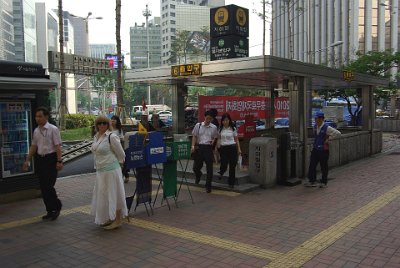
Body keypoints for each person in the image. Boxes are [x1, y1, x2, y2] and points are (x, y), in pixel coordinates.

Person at [22, 106, 63, 221]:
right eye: (36, 116)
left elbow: (57, 146)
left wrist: (59, 161)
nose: (37, 118)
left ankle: (56, 206)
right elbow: (34, 146)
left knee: (49, 185)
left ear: (46, 116)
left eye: (40, 116)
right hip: (40, 160)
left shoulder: (53, 129)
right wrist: (27, 159)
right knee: (43, 187)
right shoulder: (36, 130)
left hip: (51, 159)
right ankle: (49, 210)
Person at [91, 115, 128, 229]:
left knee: (114, 193)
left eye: (104, 123)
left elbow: (121, 154)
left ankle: (118, 220)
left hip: (112, 170)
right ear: (96, 125)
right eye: (99, 123)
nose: (102, 125)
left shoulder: (111, 136)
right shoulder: (96, 136)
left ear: (108, 125)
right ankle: (109, 217)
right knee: (104, 194)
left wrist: (119, 164)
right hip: (101, 171)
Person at [305, 111, 341, 188]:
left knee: (323, 166)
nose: (315, 120)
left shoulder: (327, 127)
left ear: (321, 119)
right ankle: (312, 181)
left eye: (316, 118)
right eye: (315, 118)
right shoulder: (315, 127)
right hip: (315, 149)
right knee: (312, 165)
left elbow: (338, 133)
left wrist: (329, 139)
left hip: (323, 150)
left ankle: (324, 182)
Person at [191, 110, 219, 193]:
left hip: (208, 148)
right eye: (207, 118)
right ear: (204, 117)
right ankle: (198, 174)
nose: (208, 120)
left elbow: (215, 137)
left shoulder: (214, 127)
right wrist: (193, 146)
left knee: (209, 168)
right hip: (199, 148)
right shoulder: (198, 125)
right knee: (196, 167)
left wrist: (213, 142)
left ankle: (208, 185)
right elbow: (194, 136)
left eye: (210, 119)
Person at [217, 113, 242, 189]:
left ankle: (231, 183)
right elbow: (218, 139)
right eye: (224, 120)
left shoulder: (233, 128)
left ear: (229, 120)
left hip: (232, 148)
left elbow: (236, 139)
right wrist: (217, 147)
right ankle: (221, 172)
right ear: (222, 121)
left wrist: (239, 149)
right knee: (224, 163)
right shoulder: (220, 129)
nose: (225, 122)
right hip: (223, 148)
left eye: (227, 120)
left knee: (232, 166)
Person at [110, 115, 130, 183]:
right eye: (111, 120)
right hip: (111, 149)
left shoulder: (119, 130)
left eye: (114, 120)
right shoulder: (109, 129)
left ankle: (125, 176)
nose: (112, 121)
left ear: (117, 121)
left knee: (121, 162)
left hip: (119, 147)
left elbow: (122, 138)